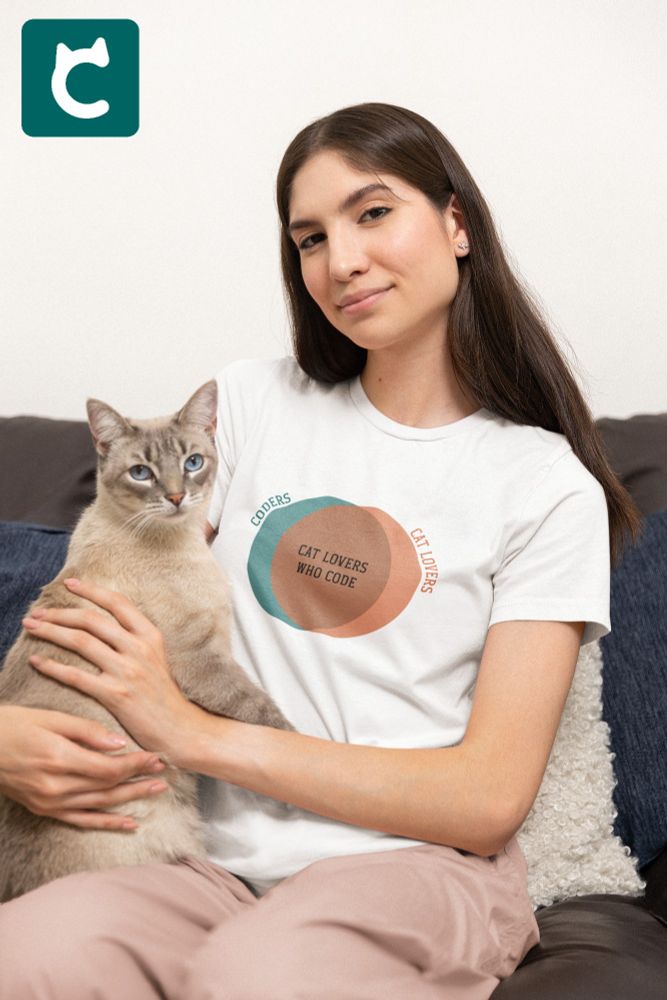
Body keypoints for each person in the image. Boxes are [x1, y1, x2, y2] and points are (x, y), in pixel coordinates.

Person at [0, 102, 642, 999]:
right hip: (202, 862)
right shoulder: (248, 404)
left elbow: (487, 798)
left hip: (412, 867)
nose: (339, 262)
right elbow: (120, 579)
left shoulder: (543, 486)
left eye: (372, 213)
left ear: (456, 224)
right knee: (26, 954)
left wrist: (192, 732)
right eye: (308, 239)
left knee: (261, 976)